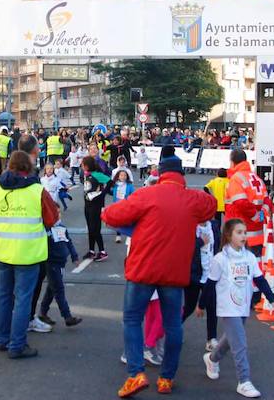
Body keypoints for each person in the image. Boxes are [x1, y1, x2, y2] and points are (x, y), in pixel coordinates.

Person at [102, 152, 216, 397]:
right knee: (173, 324)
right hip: (174, 273)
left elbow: (111, 215)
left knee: (132, 319)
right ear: (182, 175)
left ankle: (136, 374)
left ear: (160, 174)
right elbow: (211, 205)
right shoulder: (193, 199)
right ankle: (166, 378)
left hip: (143, 268)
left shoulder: (147, 194)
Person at [0, 150, 58, 359]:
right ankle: (17, 344)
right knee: (23, 299)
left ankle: (2, 339)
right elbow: (51, 218)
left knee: (3, 296)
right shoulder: (37, 190)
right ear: (28, 167)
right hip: (28, 252)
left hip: (4, 251)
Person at [200, 219, 274, 399]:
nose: (244, 236)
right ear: (228, 235)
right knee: (240, 343)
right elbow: (210, 285)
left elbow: (260, 280)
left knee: (231, 339)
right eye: (239, 232)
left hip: (243, 306)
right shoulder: (220, 259)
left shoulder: (249, 257)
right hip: (227, 308)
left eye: (245, 232)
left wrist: (273, 299)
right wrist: (201, 305)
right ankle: (244, 381)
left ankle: (212, 359)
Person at [37, 207, 82, 328]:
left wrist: (74, 256)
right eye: (54, 212)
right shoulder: (46, 228)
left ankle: (43, 312)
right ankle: (67, 316)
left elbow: (68, 242)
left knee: (52, 289)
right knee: (58, 289)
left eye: (58, 212)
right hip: (51, 262)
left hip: (61, 262)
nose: (57, 215)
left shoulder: (61, 227)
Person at [224, 150, 272, 256]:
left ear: (232, 162)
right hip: (257, 234)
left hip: (240, 234)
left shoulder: (236, 179)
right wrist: (260, 216)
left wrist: (255, 216)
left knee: (239, 267)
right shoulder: (256, 178)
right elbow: (267, 201)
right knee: (256, 265)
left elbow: (240, 202)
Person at [183, 219, 218, 353]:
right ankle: (171, 330)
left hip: (210, 275)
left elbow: (217, 246)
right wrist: (199, 242)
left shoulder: (214, 226)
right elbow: (184, 247)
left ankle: (211, 339)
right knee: (189, 307)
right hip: (194, 274)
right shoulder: (189, 226)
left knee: (212, 307)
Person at [81, 155, 111, 261]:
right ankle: (91, 251)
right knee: (90, 229)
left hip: (95, 205)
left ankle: (102, 251)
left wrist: (102, 194)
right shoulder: (87, 175)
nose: (82, 166)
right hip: (87, 205)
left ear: (87, 166)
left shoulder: (97, 174)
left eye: (83, 165)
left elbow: (110, 182)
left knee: (95, 229)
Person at [111, 169, 135, 244]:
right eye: (121, 175)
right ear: (118, 176)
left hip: (125, 204)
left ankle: (129, 234)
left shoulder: (129, 185)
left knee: (126, 220)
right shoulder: (115, 185)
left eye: (125, 175)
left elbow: (133, 194)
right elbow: (110, 191)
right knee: (118, 220)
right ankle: (118, 235)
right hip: (117, 204)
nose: (123, 177)